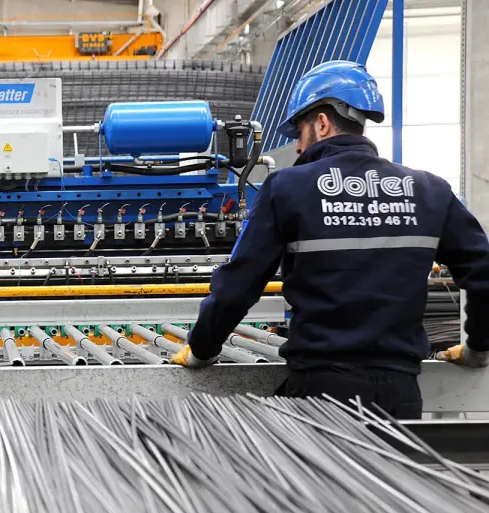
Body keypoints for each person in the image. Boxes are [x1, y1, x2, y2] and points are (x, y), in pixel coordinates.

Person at [170, 60, 489, 418]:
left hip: (322, 394)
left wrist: (202, 348)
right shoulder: (429, 190)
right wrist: (478, 347)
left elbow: (238, 283)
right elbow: (483, 272)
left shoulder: (288, 187)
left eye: (299, 134)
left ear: (321, 123)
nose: (298, 148)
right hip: (400, 394)